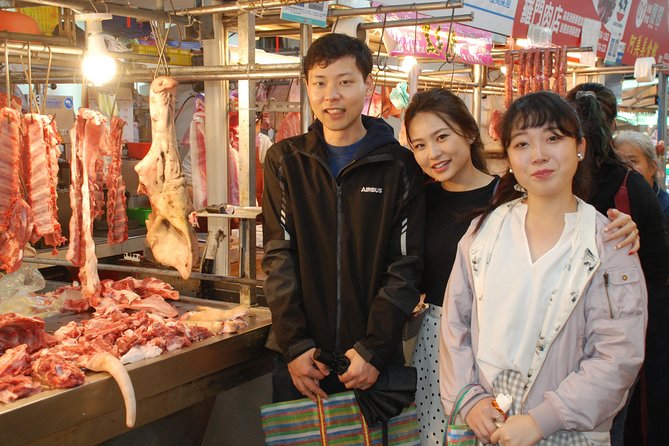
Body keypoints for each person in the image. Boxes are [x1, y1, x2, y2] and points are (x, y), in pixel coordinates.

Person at [439, 91, 647, 446]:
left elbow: (618, 355)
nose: (538, 155)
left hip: (567, 432)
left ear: (580, 146)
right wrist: (470, 400)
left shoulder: (609, 243)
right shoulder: (484, 232)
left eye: (553, 138)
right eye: (522, 143)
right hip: (484, 427)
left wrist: (541, 420)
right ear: (508, 156)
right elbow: (455, 323)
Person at [261, 33, 425, 403]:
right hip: (303, 362)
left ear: (367, 85)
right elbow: (277, 256)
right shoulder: (285, 161)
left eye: (345, 82)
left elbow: (405, 267)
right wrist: (295, 344)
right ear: (307, 87)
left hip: (372, 364)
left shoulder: (398, 166)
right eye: (320, 83)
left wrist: (373, 349)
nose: (331, 96)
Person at [566, 83, 669, 446]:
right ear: (610, 126)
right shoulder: (632, 185)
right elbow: (658, 275)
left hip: (564, 331)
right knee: (611, 424)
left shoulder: (555, 181)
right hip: (620, 332)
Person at [403, 88, 498, 445]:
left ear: (469, 133)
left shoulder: (510, 198)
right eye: (420, 145)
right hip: (437, 340)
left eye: (442, 137)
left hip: (498, 341)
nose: (433, 153)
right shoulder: (419, 201)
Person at [614, 130, 669, 242]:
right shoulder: (611, 201)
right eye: (619, 162)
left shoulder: (666, 207)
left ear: (652, 167)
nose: (626, 167)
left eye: (632, 161)